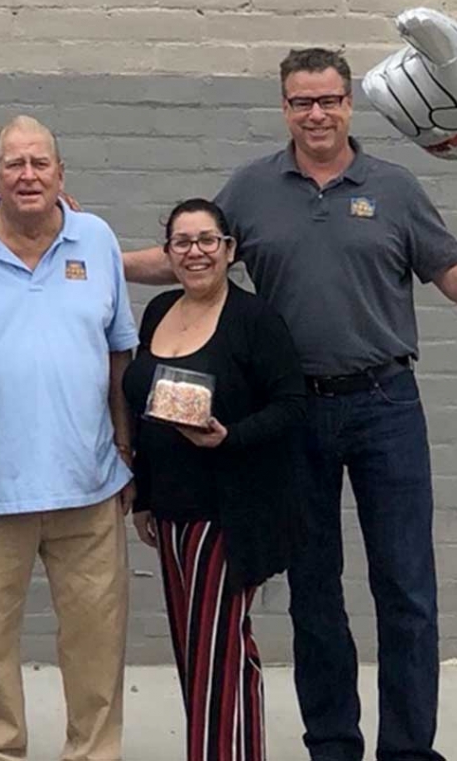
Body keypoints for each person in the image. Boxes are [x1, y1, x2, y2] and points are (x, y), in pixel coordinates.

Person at [123, 48, 457, 761]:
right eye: (301, 101)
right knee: (313, 590)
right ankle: (333, 743)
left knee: (406, 588)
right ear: (284, 107)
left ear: (349, 103)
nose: (316, 113)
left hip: (386, 405)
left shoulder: (394, 188)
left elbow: (456, 282)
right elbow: (185, 255)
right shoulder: (253, 187)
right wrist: (79, 250)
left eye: (328, 99)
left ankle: (406, 749)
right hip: (294, 415)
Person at [0, 115, 138, 761]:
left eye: (39, 163)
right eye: (14, 164)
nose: (27, 175)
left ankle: (94, 752)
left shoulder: (95, 239)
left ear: (60, 175)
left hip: (89, 487)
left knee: (97, 644)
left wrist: (127, 454)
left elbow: (119, 359)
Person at [123, 198, 308, 761]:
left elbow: (292, 405)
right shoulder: (157, 311)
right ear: (168, 252)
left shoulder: (255, 319)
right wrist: (144, 497)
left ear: (228, 251)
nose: (195, 253)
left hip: (230, 510)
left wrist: (232, 437)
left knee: (221, 651)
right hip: (172, 511)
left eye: (208, 241)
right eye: (182, 242)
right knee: (194, 647)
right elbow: (144, 409)